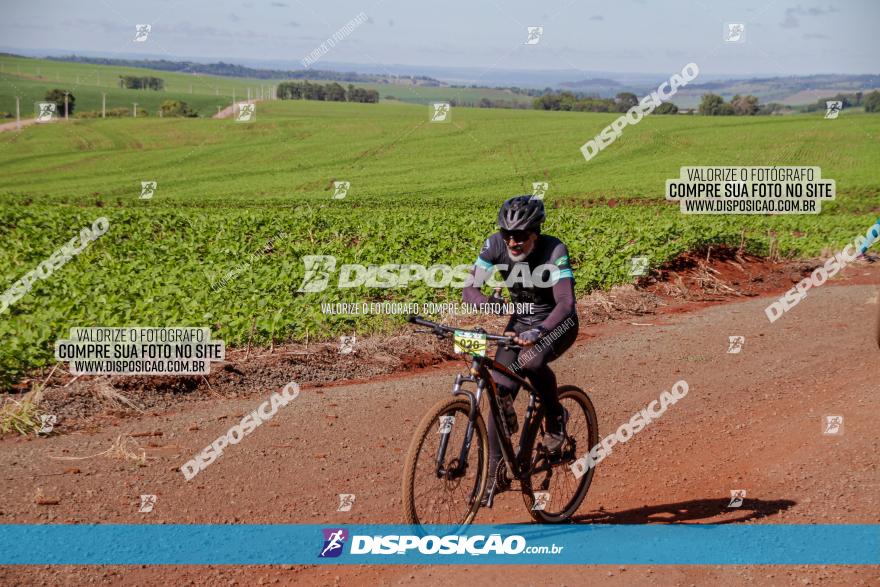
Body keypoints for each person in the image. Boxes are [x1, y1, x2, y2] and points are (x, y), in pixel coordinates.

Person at [463, 195, 579, 504]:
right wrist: (488, 303)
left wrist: (540, 331)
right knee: (499, 391)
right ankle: (495, 473)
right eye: (507, 234)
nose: (513, 241)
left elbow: (566, 303)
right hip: (520, 321)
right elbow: (469, 288)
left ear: (535, 232)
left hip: (555, 322)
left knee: (530, 360)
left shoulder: (554, 250)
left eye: (521, 235)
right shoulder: (494, 245)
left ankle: (555, 416)